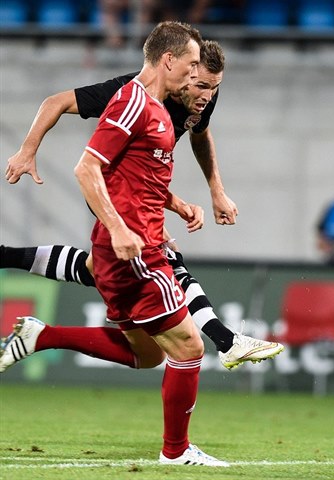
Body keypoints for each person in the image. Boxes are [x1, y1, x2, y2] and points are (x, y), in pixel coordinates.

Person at [6, 21, 229, 467]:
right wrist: (121, 226)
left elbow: (145, 170)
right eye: (191, 71)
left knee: (145, 354)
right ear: (170, 61)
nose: (197, 85)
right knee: (188, 347)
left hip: (128, 233)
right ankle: (177, 449)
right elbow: (87, 168)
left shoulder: (172, 107)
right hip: (132, 240)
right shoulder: (130, 99)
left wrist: (180, 203)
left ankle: (41, 335)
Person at [2, 39, 283, 370]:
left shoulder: (201, 96)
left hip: (140, 190)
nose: (207, 96)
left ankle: (30, 316)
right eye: (201, 84)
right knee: (164, 254)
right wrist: (27, 149)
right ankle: (226, 340)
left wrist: (215, 190)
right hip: (109, 191)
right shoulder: (132, 95)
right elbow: (57, 102)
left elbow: (199, 134)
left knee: (143, 346)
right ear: (180, 69)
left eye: (214, 87)